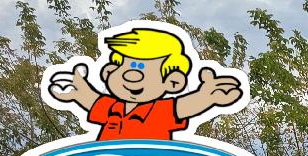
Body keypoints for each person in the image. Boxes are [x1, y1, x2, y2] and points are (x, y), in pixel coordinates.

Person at [45, 25, 243, 141]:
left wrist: (208, 96)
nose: (131, 75)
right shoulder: (112, 107)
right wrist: (78, 89)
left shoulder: (160, 111)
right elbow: (92, 100)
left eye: (143, 68)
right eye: (124, 65)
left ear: (173, 82)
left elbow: (186, 106)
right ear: (108, 71)